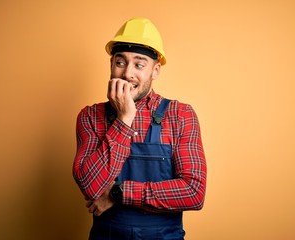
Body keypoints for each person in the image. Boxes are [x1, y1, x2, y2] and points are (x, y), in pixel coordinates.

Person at [73, 17, 207, 240]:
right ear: (111, 65)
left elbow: (193, 192)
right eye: (120, 62)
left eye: (139, 64)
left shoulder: (180, 115)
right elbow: (91, 186)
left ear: (155, 71)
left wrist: (119, 192)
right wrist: (124, 119)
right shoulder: (90, 116)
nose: (127, 74)